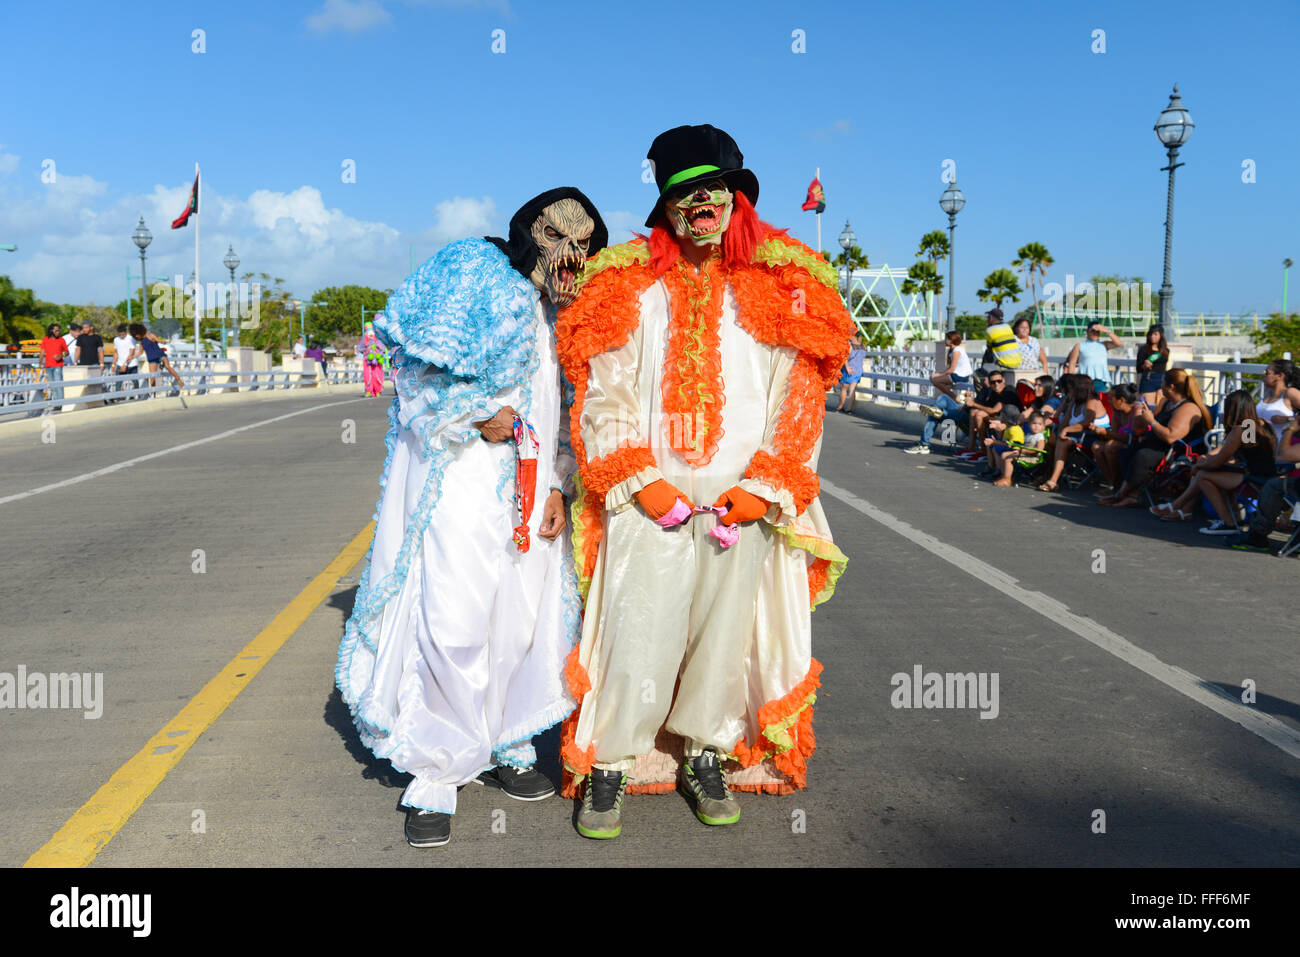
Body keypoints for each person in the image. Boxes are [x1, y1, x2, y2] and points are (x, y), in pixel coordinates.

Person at [555, 125, 852, 839]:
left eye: (712, 190)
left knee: (727, 632)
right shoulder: (630, 281)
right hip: (648, 494)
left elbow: (798, 395)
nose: (701, 205)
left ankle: (707, 750)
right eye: (684, 194)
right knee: (637, 626)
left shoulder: (784, 285)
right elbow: (606, 390)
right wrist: (639, 478)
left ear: (734, 196)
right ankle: (612, 760)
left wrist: (767, 485)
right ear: (666, 204)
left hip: (739, 497)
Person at [337, 188, 609, 849]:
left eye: (583, 240)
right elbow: (410, 366)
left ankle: (506, 737)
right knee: (454, 616)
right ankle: (435, 766)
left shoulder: (568, 311)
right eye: (556, 234)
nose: (570, 252)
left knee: (521, 616)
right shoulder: (474, 269)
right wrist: (469, 412)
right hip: (462, 475)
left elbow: (571, 402)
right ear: (528, 231)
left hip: (535, 483)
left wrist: (559, 488)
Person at [1152, 389, 1276, 533]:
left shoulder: (1240, 429)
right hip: (1267, 476)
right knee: (1210, 474)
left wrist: (1199, 467)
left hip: (1254, 479)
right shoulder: (1261, 424)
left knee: (1204, 476)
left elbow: (1219, 460)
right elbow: (1251, 454)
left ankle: (1227, 523)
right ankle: (1232, 517)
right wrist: (1206, 463)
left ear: (1232, 409)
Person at [1100, 367, 1212, 508]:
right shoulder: (1166, 402)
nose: (1161, 387)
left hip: (1179, 451)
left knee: (1143, 455)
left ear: (1170, 386)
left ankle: (1121, 494)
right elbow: (1155, 424)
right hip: (1161, 446)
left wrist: (1151, 421)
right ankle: (1130, 495)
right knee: (1128, 450)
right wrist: (1143, 419)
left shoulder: (1188, 408)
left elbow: (1171, 437)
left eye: (1163, 383)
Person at [1223, 412, 1300, 552]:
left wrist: (1290, 428)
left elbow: (1282, 456)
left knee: (1274, 486)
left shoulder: (1245, 427)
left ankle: (1253, 534)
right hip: (1260, 473)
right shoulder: (1251, 427)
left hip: (1254, 475)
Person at [1036, 374, 1110, 491]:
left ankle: (1052, 480)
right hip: (1079, 436)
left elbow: (1086, 423)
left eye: (1072, 388)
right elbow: (1064, 422)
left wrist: (1065, 430)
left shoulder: (1092, 401)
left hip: (1095, 436)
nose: (1069, 391)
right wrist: (1064, 405)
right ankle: (1049, 475)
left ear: (1079, 388)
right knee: (1052, 440)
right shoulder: (1074, 403)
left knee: (1061, 441)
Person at [950, 371, 1020, 461]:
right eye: (993, 382)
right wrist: (970, 399)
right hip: (1000, 417)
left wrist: (973, 404)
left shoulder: (1008, 390)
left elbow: (994, 410)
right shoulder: (993, 391)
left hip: (1012, 422)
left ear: (1004, 380)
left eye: (999, 381)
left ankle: (983, 450)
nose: (996, 384)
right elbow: (984, 406)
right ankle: (971, 447)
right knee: (974, 412)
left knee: (979, 414)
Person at [991, 411, 1049, 487]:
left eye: (1039, 424)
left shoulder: (1039, 436)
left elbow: (1039, 449)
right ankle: (1004, 476)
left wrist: (1023, 451)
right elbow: (1021, 445)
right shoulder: (1028, 435)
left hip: (1033, 457)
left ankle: (1007, 480)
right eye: (1034, 423)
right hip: (1023, 454)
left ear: (1044, 426)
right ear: (1029, 424)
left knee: (1008, 457)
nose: (1036, 426)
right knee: (1004, 454)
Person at [1064, 320, 1122, 393]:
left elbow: (1118, 343)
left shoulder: (1104, 345)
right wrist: (1070, 381)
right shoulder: (1079, 345)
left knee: (1100, 402)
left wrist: (1106, 331)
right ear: (1087, 331)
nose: (1095, 333)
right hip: (1084, 380)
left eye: (1097, 331)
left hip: (1100, 380)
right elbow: (1072, 363)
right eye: (1093, 331)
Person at [128, 323, 185, 394]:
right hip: (152, 358)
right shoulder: (141, 342)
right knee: (152, 377)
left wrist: (162, 341)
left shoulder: (150, 335)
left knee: (167, 366)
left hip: (159, 354)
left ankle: (179, 379)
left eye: (137, 334)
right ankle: (153, 393)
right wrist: (132, 357)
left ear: (140, 331)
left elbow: (158, 340)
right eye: (135, 335)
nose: (136, 336)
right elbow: (140, 352)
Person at [1256, 359, 1300, 446]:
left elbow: (1294, 419)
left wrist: (1287, 419)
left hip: (1280, 451)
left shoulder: (1290, 393)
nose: (1263, 375)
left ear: (1279, 376)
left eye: (1267, 372)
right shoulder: (1267, 393)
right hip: (1261, 450)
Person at [930, 329, 973, 401]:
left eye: (946, 339)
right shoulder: (954, 350)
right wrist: (940, 374)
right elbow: (950, 368)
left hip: (961, 376)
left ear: (951, 340)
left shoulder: (956, 351)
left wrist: (939, 375)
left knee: (935, 380)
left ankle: (954, 397)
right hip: (957, 375)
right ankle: (954, 397)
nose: (945, 340)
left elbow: (952, 369)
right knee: (934, 379)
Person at [1135, 324, 1170, 406]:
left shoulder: (1165, 351)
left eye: (1155, 334)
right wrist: (1145, 365)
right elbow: (1138, 368)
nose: (1152, 336)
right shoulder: (1144, 349)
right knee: (1147, 407)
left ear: (1161, 335)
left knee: (1160, 407)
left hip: (1162, 380)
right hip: (1148, 379)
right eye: (1150, 334)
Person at [979, 307, 1021, 374]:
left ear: (991, 318)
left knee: (984, 368)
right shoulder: (1008, 327)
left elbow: (989, 349)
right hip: (1018, 362)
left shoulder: (990, 330)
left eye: (988, 317)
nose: (987, 319)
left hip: (1004, 364)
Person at [38, 323, 68, 412]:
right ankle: (56, 403)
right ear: (51, 331)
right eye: (56, 330)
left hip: (58, 365)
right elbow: (42, 352)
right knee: (52, 386)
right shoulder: (45, 339)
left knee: (58, 384)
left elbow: (66, 352)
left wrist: (60, 355)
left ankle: (60, 404)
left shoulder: (61, 340)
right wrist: (40, 362)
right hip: (48, 365)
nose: (58, 332)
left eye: (59, 330)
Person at [834, 333, 867, 413]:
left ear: (854, 337)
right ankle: (849, 409)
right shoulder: (863, 346)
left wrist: (847, 367)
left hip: (848, 369)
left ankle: (840, 407)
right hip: (858, 370)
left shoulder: (850, 346)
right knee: (852, 390)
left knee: (844, 389)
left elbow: (845, 357)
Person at [355, 321, 388, 398]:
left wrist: (377, 349)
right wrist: (367, 349)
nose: (370, 334)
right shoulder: (364, 340)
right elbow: (359, 348)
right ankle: (369, 391)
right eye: (368, 331)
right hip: (367, 361)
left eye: (371, 331)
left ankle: (378, 390)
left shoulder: (378, 340)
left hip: (377, 360)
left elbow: (383, 348)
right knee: (368, 375)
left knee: (377, 375)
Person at [111, 323, 139, 401]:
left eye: (123, 333)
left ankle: (138, 394)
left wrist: (125, 365)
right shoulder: (116, 340)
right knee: (118, 382)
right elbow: (116, 352)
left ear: (125, 332)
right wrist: (113, 364)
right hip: (120, 364)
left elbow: (132, 352)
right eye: (120, 333)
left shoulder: (131, 338)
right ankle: (117, 398)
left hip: (131, 364)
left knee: (135, 381)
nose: (121, 335)